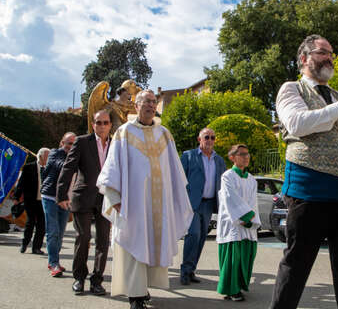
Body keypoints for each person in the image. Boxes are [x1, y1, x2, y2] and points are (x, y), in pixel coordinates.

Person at [271, 34, 338, 309]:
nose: (329, 57)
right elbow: (297, 123)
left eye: (331, 53)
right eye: (321, 52)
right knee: (296, 267)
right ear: (304, 58)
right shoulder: (291, 89)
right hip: (308, 191)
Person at [97, 89, 193, 309]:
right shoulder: (124, 132)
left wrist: (177, 199)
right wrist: (114, 197)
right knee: (134, 245)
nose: (151, 105)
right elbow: (112, 169)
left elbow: (175, 172)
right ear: (136, 106)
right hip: (134, 203)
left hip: (160, 204)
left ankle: (144, 288)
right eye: (146, 101)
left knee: (151, 245)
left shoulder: (164, 134)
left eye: (153, 101)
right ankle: (135, 296)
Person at [57, 110, 112, 296]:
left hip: (106, 199)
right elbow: (68, 167)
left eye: (105, 122)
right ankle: (79, 278)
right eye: (99, 122)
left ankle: (97, 280)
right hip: (83, 197)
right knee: (83, 237)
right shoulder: (82, 142)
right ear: (93, 124)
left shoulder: (116, 144)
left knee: (103, 241)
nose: (102, 126)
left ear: (110, 125)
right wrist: (62, 194)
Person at [179, 127, 226, 285]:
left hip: (209, 204)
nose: (210, 140)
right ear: (199, 139)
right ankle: (185, 271)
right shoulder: (188, 156)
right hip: (192, 204)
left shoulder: (219, 160)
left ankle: (191, 270)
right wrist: (182, 200)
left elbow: (223, 183)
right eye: (207, 137)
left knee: (201, 239)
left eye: (213, 137)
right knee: (193, 235)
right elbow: (179, 179)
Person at [216, 144, 260, 302]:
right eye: (242, 154)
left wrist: (251, 219)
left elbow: (254, 202)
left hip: (247, 224)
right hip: (233, 223)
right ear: (232, 157)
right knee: (233, 258)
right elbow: (230, 198)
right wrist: (244, 216)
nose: (246, 157)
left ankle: (238, 287)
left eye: (248, 154)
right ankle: (231, 290)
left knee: (246, 256)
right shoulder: (227, 176)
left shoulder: (252, 179)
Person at [41, 132, 76, 277]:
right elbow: (59, 165)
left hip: (66, 199)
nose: (69, 146)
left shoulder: (76, 156)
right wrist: (76, 164)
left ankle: (54, 260)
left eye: (73, 144)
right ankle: (53, 262)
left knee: (60, 232)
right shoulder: (55, 153)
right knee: (53, 230)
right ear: (62, 143)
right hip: (50, 197)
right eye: (67, 143)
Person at [14, 148, 49, 254]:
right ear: (41, 156)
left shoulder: (49, 168)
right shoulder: (29, 167)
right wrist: (16, 197)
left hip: (44, 201)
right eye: (48, 156)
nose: (49, 158)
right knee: (30, 222)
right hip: (31, 200)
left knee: (42, 225)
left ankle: (36, 247)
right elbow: (21, 183)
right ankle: (24, 244)